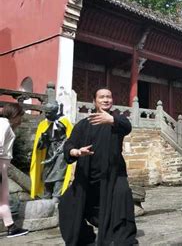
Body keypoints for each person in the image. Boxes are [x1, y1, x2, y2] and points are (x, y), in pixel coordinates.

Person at [59, 88, 138, 245]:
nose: (106, 100)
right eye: (101, 97)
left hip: (114, 175)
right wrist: (75, 151)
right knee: (66, 204)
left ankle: (123, 239)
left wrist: (111, 120)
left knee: (122, 198)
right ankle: (84, 237)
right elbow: (69, 144)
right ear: (94, 101)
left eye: (109, 96)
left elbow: (127, 127)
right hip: (88, 175)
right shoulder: (83, 125)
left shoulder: (117, 121)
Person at [30, 101, 73, 202]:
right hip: (49, 151)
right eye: (46, 112)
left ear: (56, 111)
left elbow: (71, 136)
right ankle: (46, 193)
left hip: (62, 151)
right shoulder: (43, 124)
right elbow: (39, 144)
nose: (47, 114)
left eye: (49, 113)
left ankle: (56, 195)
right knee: (46, 172)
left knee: (59, 172)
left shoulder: (64, 121)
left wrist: (64, 146)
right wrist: (42, 140)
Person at [0, 104, 29, 238]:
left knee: (3, 198)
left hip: (3, 165)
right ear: (15, 114)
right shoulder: (3, 124)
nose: (21, 119)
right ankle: (11, 227)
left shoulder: (5, 124)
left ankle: (11, 227)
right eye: (20, 116)